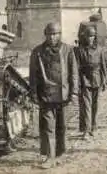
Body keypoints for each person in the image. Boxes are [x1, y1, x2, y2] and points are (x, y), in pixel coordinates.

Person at [28, 22, 79, 169]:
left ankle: (59, 154)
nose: (52, 37)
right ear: (45, 34)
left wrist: (74, 92)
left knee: (62, 126)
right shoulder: (37, 51)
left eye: (55, 34)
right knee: (48, 127)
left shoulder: (68, 50)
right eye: (50, 34)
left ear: (60, 34)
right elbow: (33, 76)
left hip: (63, 94)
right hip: (45, 95)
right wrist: (34, 94)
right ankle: (49, 157)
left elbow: (74, 73)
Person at [75, 26, 107, 140]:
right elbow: (77, 68)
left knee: (95, 105)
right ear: (85, 37)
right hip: (85, 79)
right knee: (86, 106)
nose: (90, 38)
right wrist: (78, 82)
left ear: (95, 37)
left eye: (92, 36)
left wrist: (105, 80)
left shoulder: (99, 49)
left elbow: (103, 65)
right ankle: (86, 130)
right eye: (88, 36)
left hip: (97, 79)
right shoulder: (80, 50)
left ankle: (93, 127)